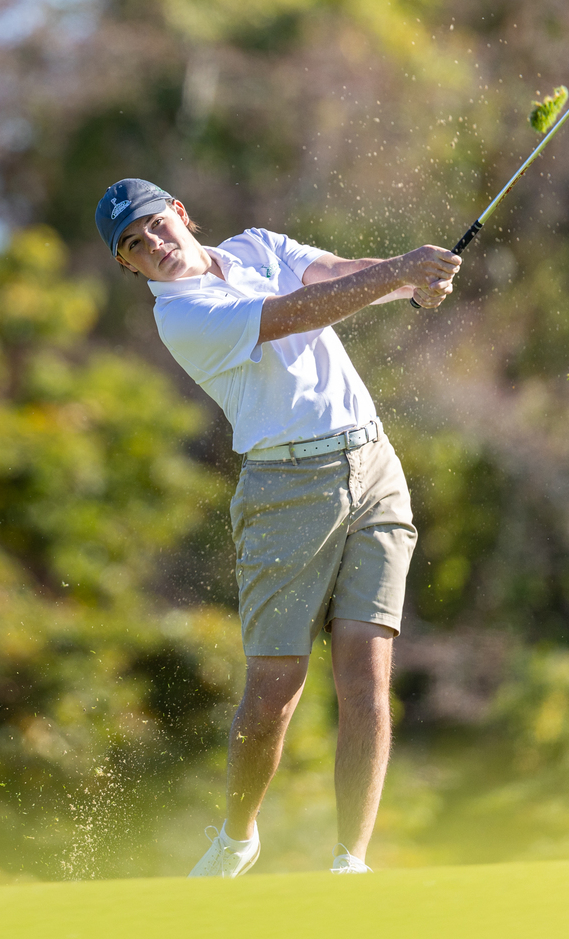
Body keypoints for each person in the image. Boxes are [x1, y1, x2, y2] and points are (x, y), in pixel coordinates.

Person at [92, 179, 460, 876]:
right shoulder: (184, 317)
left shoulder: (259, 247)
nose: (154, 247)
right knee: (274, 692)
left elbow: (339, 276)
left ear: (180, 213)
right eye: (134, 247)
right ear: (129, 267)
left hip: (373, 464)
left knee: (366, 674)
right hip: (284, 491)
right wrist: (403, 273)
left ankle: (351, 859)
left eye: (155, 227)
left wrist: (406, 283)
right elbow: (294, 313)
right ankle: (237, 836)